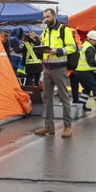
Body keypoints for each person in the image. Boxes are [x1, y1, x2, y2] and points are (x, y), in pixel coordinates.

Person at [34, 9, 77, 138]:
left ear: (54, 16)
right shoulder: (46, 31)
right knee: (47, 98)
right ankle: (49, 126)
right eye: (44, 17)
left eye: (47, 16)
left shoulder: (64, 30)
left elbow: (72, 47)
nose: (45, 19)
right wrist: (37, 44)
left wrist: (58, 51)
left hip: (59, 68)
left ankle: (67, 127)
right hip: (47, 69)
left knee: (64, 98)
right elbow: (44, 46)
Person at [75, 31, 96, 114]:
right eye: (95, 41)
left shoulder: (83, 46)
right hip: (85, 71)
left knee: (87, 88)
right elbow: (91, 61)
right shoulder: (89, 48)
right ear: (91, 39)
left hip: (79, 71)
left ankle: (81, 105)